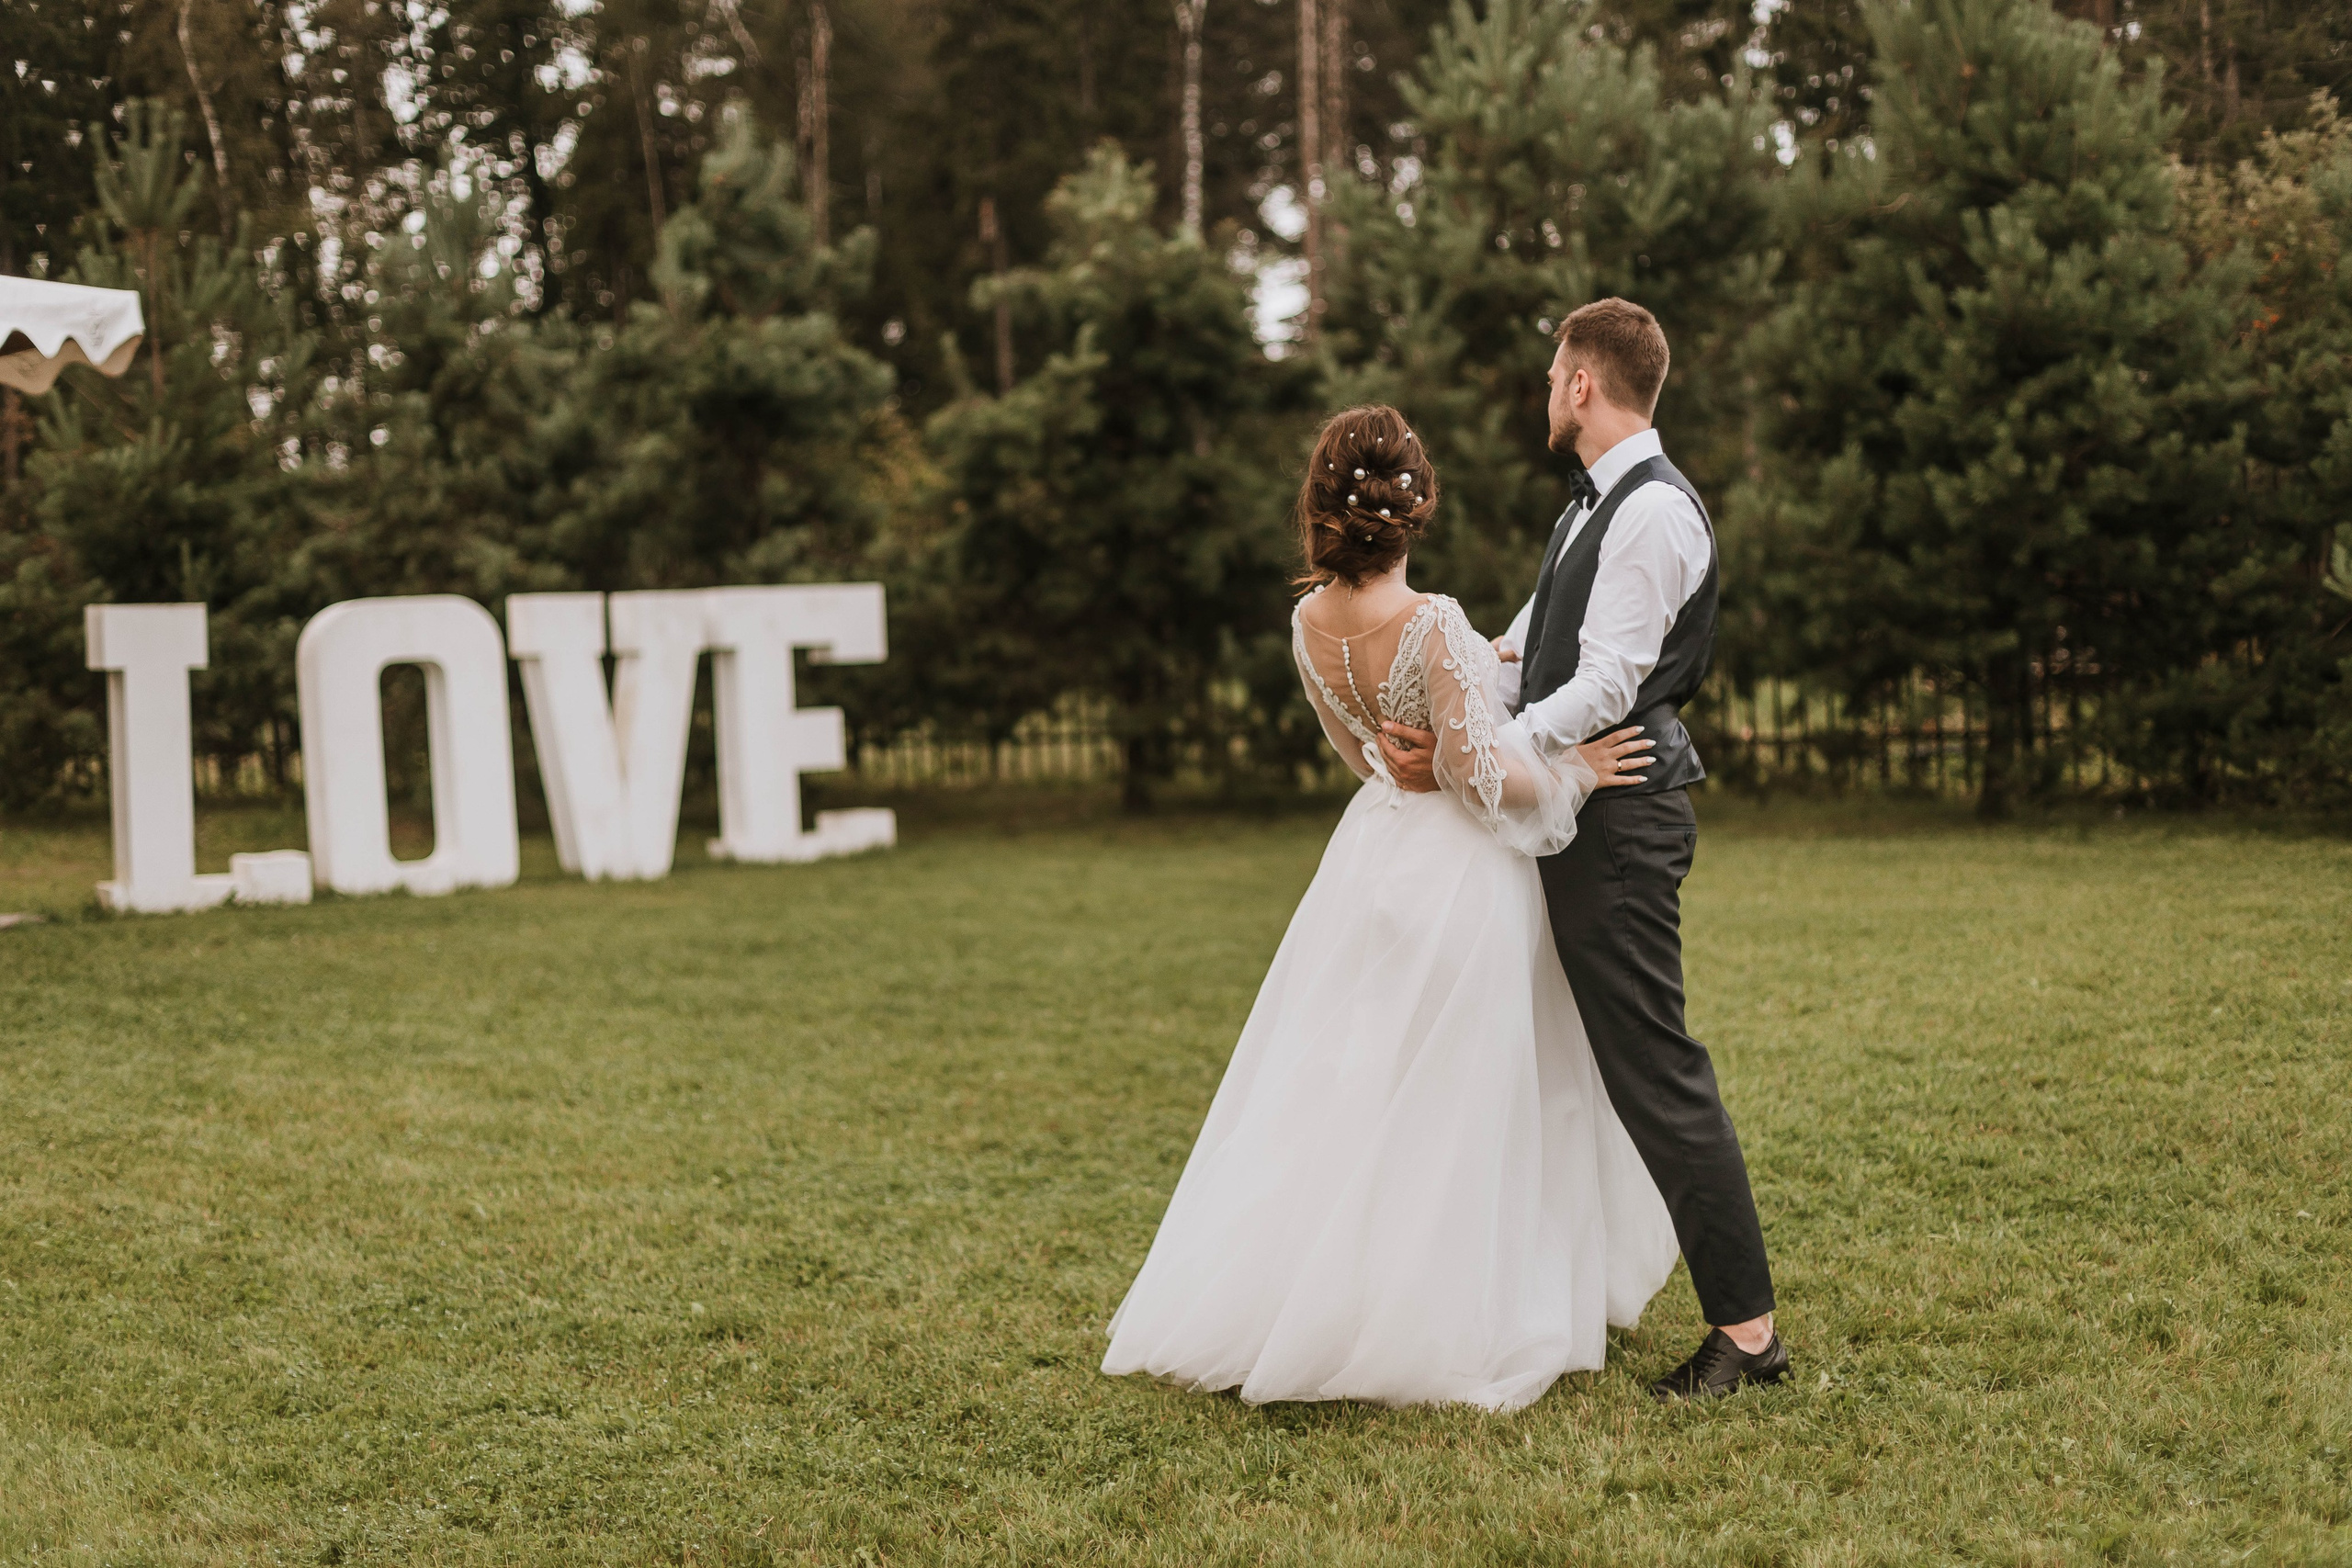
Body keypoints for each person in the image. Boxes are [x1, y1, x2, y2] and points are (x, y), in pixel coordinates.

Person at [1100, 403, 1679, 1411]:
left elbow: (1361, 756)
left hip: (1370, 864)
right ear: (1416, 507)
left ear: (1323, 506)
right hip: (1460, 877)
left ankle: (1320, 1293)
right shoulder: (1430, 623)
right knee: (1469, 1093)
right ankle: (1449, 1310)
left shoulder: (1309, 623)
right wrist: (1579, 769)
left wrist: (1450, 724)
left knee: (1359, 1086)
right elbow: (1488, 785)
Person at [1377, 299, 1788, 1401]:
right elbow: (1520, 651)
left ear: (1581, 386)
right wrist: (1448, 712)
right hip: (1571, 806)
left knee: (1654, 1066)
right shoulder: (1588, 510)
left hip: (1620, 817)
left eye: (1552, 370)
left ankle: (1748, 1341)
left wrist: (1490, 754)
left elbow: (1607, 680)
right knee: (1568, 1062)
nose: (1544, 388)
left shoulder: (1653, 513)